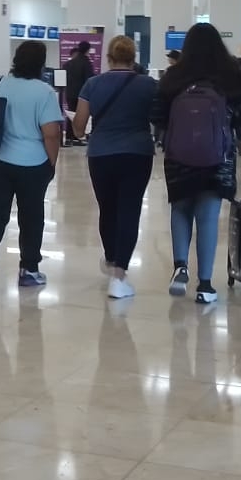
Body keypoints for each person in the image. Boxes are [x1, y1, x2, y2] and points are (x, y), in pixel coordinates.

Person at [151, 23, 241, 305]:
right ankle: (206, 285)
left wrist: (170, 135)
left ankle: (180, 266)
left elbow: (157, 114)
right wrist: (234, 136)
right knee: (208, 217)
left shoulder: (174, 76)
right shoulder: (229, 75)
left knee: (181, 207)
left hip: (178, 157)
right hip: (217, 159)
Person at [0, 40, 64, 292]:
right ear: (41, 64)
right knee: (31, 216)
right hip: (32, 164)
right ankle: (29, 270)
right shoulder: (44, 92)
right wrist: (51, 163)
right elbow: (51, 133)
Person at [73, 35, 158, 300]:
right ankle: (120, 277)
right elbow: (158, 119)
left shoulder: (92, 84)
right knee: (129, 210)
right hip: (137, 153)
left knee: (107, 209)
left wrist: (82, 131)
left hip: (100, 154)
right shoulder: (149, 85)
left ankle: (111, 260)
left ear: (108, 58)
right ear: (134, 58)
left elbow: (78, 126)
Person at [62, 40, 95, 144]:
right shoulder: (87, 63)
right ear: (88, 50)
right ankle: (78, 137)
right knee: (81, 115)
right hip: (82, 95)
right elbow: (89, 80)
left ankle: (68, 137)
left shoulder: (68, 63)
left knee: (71, 114)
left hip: (69, 93)